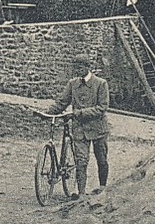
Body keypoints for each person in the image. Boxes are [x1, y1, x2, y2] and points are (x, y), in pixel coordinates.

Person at [47, 54, 111, 197]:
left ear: (88, 67)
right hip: (80, 129)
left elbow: (102, 107)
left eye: (80, 67)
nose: (77, 70)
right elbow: (62, 102)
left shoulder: (101, 84)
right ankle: (81, 193)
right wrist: (49, 112)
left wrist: (79, 113)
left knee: (101, 158)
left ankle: (102, 188)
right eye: (75, 67)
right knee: (81, 161)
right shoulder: (72, 84)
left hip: (98, 128)